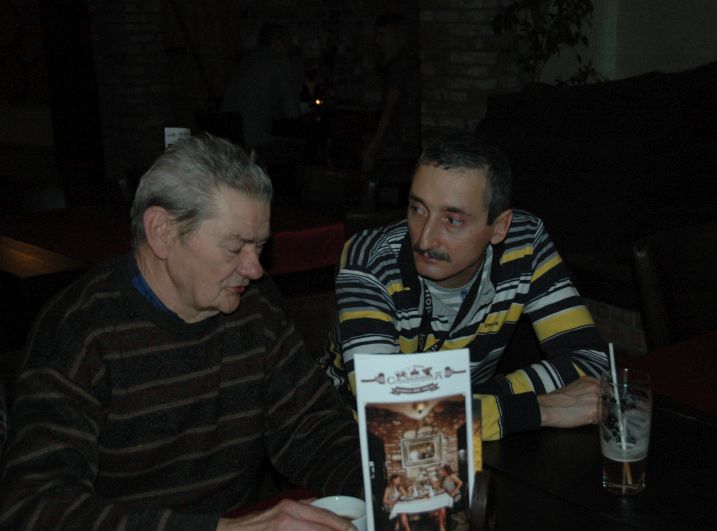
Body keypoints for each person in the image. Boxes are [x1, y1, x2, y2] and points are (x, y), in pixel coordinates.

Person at [0, 135, 361, 530]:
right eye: (235, 247)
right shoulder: (81, 330)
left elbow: (313, 430)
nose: (255, 268)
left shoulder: (255, 307)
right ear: (162, 232)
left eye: (259, 247)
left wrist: (389, 485)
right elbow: (34, 504)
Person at [321, 133, 609, 441]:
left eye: (453, 220)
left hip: (471, 436)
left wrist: (466, 405)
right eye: (418, 209)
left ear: (499, 227)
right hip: (344, 436)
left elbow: (592, 363)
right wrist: (542, 408)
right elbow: (388, 415)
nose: (424, 239)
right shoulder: (367, 261)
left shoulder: (524, 242)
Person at [360, 13, 421, 201]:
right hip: (404, 143)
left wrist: (372, 147)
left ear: (396, 37)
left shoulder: (399, 67)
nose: (378, 42)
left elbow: (390, 109)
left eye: (383, 36)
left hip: (396, 145)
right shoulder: (404, 63)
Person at [221, 23, 302, 151]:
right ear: (276, 43)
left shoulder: (244, 62)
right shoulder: (279, 63)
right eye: (288, 43)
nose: (291, 48)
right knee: (299, 147)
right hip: (254, 142)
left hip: (226, 139)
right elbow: (292, 112)